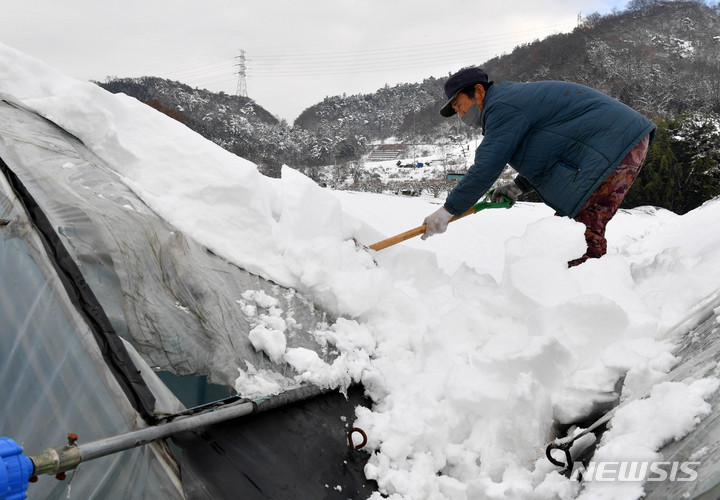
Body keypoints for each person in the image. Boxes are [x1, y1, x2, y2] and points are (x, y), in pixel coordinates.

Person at [421, 67, 656, 266]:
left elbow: (486, 166)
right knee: (568, 231)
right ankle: (582, 289)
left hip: (613, 144)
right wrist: (517, 187)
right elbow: (549, 154)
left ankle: (590, 298)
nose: (460, 114)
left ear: (479, 92)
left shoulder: (502, 106)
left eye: (460, 105)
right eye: (455, 111)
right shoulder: (510, 103)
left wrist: (447, 211)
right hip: (615, 144)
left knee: (578, 231)